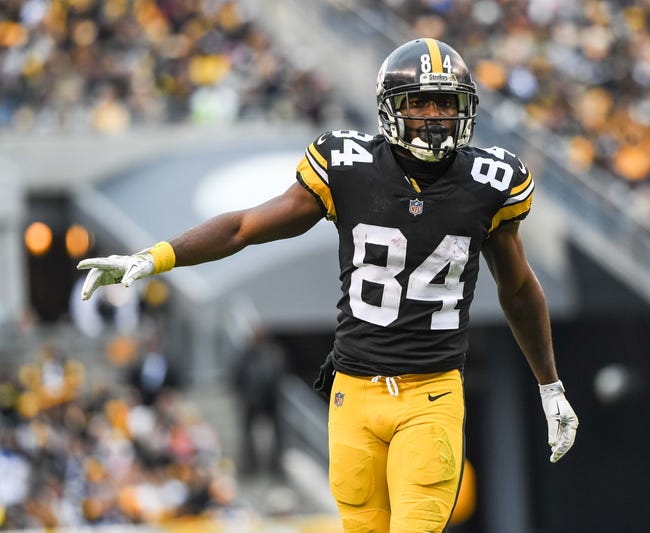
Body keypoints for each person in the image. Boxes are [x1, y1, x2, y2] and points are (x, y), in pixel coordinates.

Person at [76, 38, 578, 533]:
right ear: (389, 110)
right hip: (353, 396)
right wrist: (155, 256)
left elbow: (517, 288)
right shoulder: (348, 167)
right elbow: (244, 227)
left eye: (445, 102)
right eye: (418, 101)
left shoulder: (491, 183)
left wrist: (549, 384)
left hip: (431, 394)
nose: (432, 115)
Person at [231, 326, 289, 478]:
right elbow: (237, 375)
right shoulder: (246, 354)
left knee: (277, 435)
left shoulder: (274, 353)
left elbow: (279, 374)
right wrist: (244, 395)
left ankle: (274, 465)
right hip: (251, 399)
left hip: (271, 399)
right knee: (248, 435)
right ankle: (250, 466)